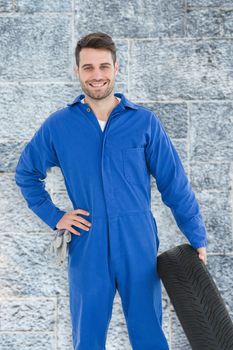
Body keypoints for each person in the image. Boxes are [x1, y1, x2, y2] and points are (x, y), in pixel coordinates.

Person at [15, 31, 208, 350]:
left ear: (116, 68)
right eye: (88, 67)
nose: (97, 75)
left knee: (149, 335)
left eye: (104, 66)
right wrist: (56, 216)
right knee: (87, 338)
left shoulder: (144, 122)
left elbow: (173, 183)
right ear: (77, 71)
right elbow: (26, 173)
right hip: (87, 241)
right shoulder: (59, 126)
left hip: (137, 240)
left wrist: (196, 236)